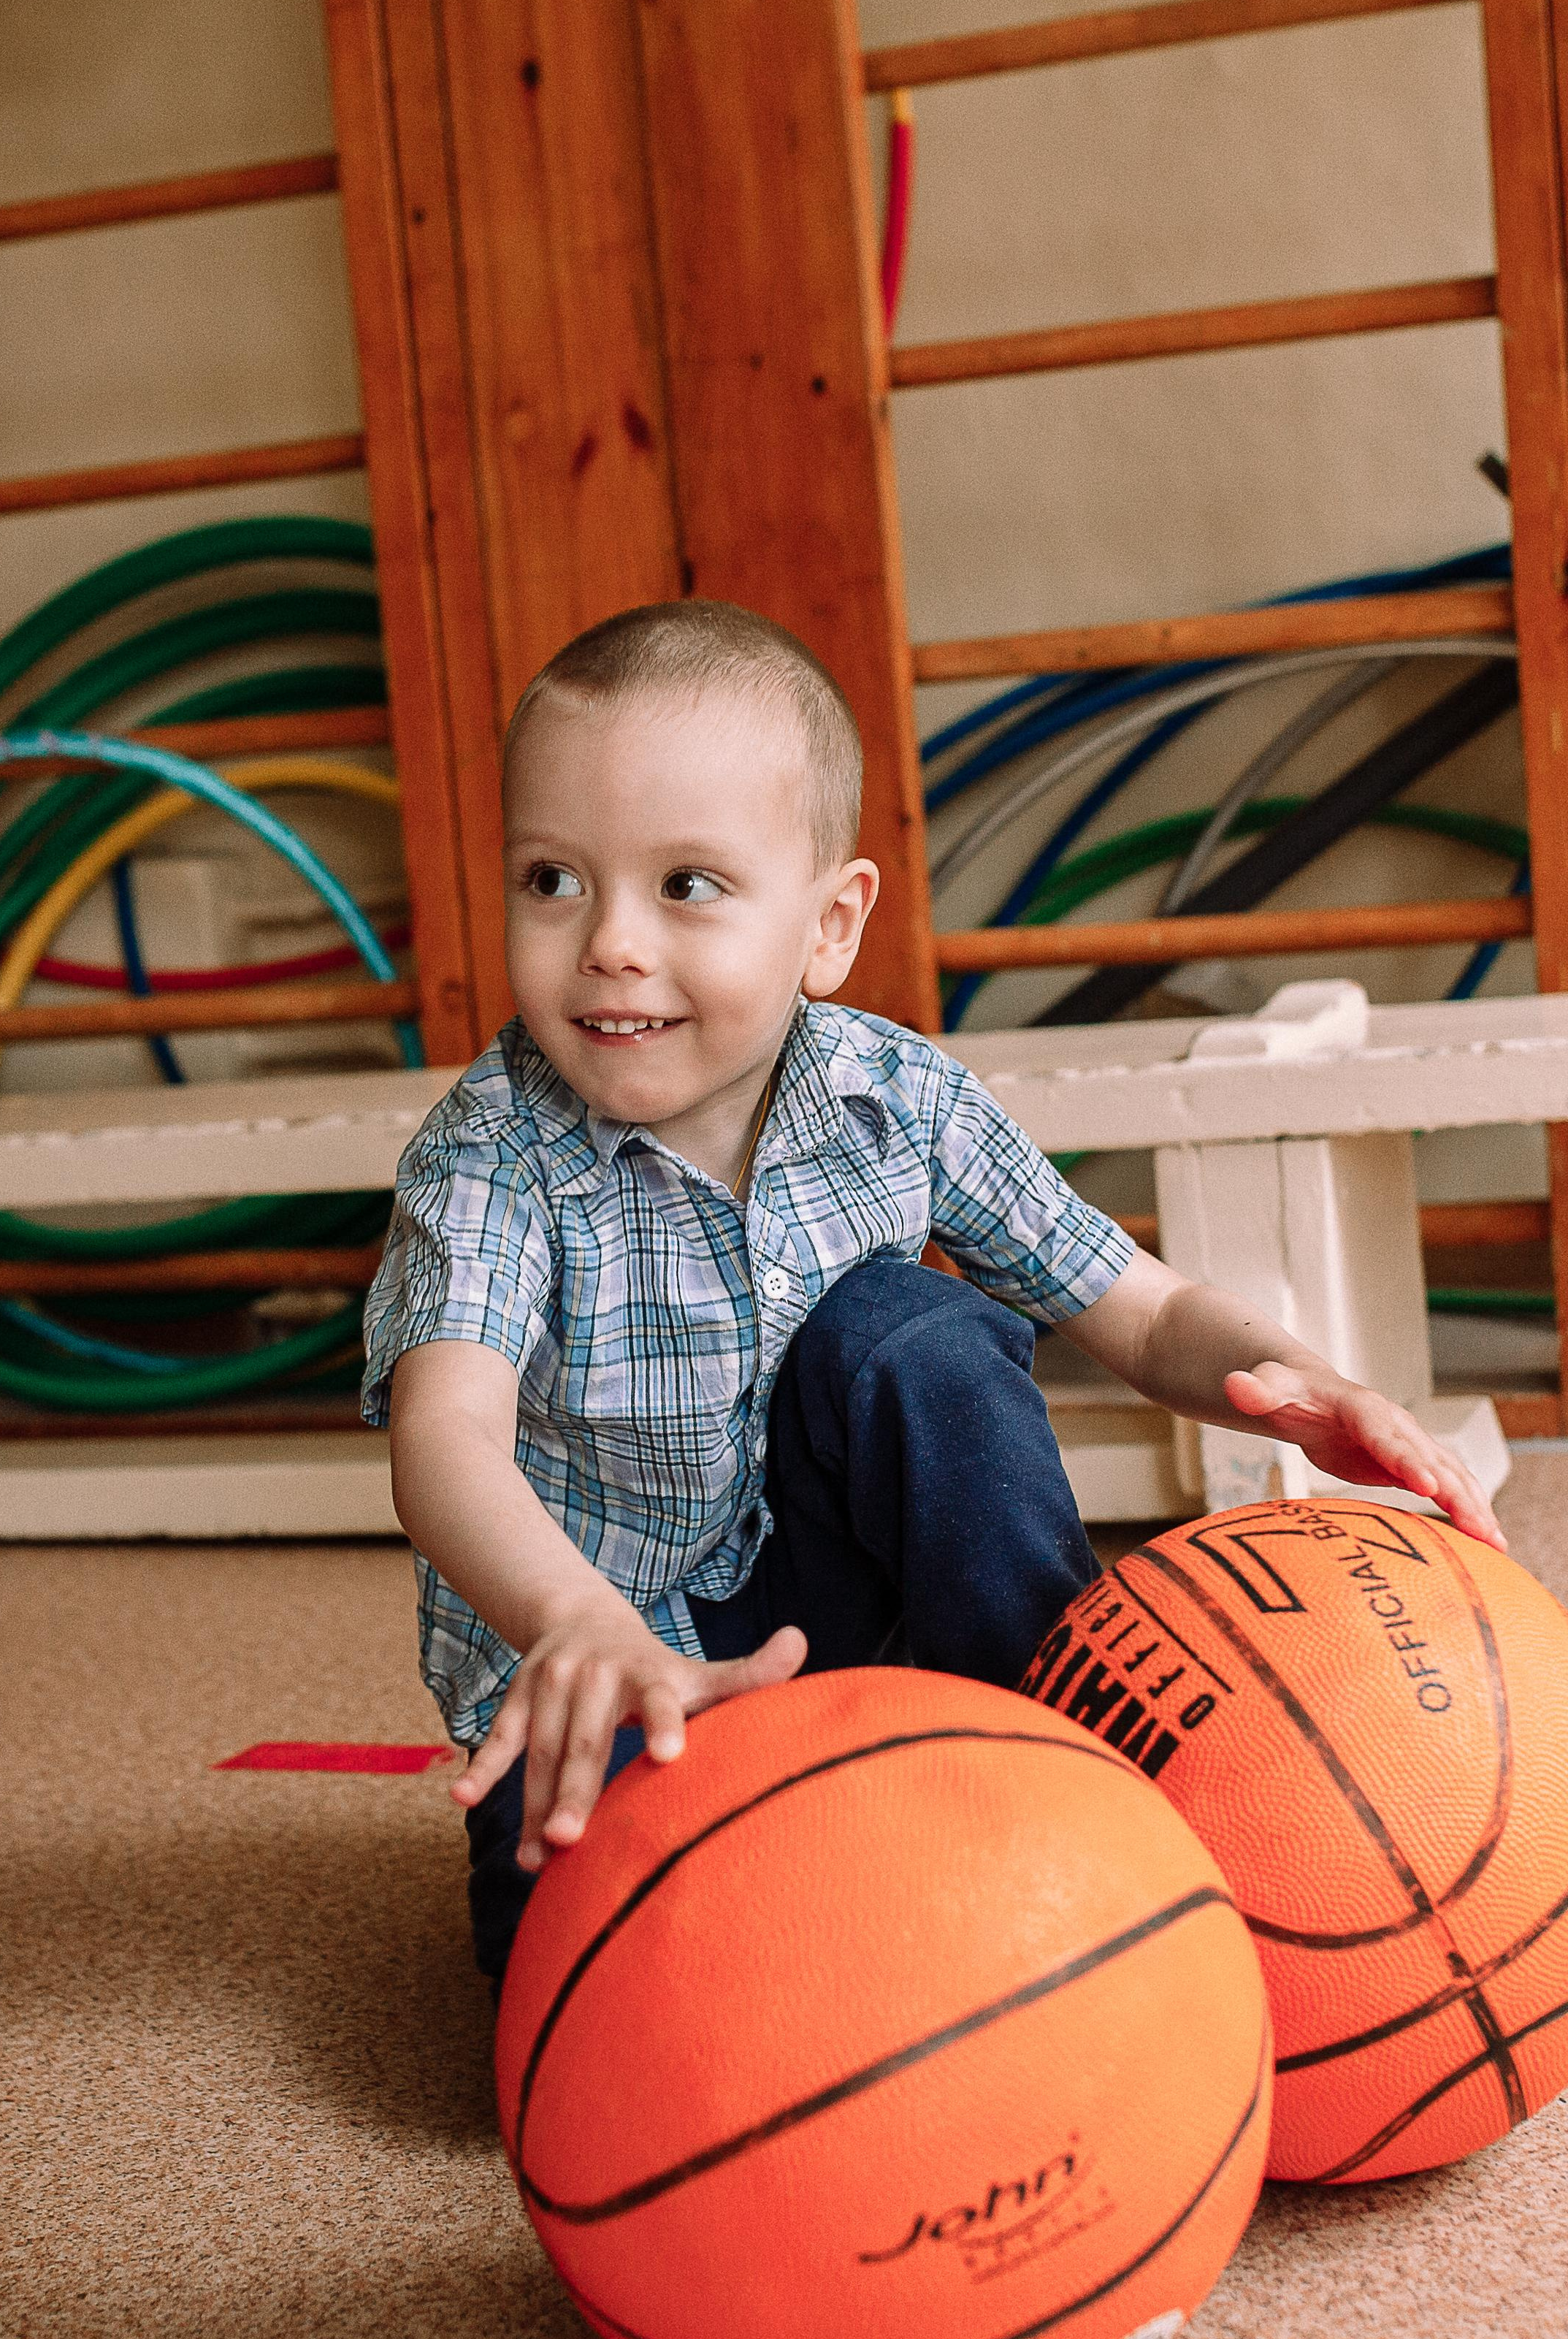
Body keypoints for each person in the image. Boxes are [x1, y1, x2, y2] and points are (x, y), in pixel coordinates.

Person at [364, 600, 1504, 1987]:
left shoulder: (897, 1098)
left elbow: (1136, 1311)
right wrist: (574, 1622)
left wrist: (1310, 1388)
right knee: (636, 2001)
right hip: (603, 1670)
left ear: (829, 926)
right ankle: (807, 1866)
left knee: (915, 1336)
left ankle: (1052, 1749)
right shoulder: (488, 1153)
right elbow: (446, 1439)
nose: (608, 942)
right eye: (551, 879)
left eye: (686, 886)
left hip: (848, 1628)